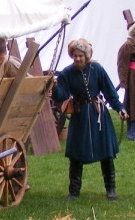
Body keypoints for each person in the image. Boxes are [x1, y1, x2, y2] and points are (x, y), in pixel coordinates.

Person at [53, 39, 127, 200]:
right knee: (76, 155)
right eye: (75, 55)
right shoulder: (67, 73)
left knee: (106, 153)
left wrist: (120, 108)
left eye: (80, 55)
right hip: (79, 117)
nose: (77, 59)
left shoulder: (97, 69)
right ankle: (74, 191)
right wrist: (53, 86)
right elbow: (61, 95)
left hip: (97, 114)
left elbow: (109, 91)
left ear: (86, 56)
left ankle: (111, 190)